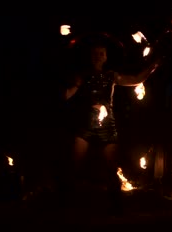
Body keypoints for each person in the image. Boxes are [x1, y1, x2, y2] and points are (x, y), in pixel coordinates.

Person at [63, 40, 161, 215]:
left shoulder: (111, 76)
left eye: (101, 53)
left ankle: (116, 207)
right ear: (90, 56)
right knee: (74, 164)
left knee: (111, 167)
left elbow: (136, 79)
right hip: (85, 123)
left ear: (106, 57)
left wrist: (152, 67)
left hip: (107, 125)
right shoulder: (82, 75)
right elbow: (68, 93)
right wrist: (66, 90)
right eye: (95, 53)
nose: (98, 56)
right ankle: (68, 205)